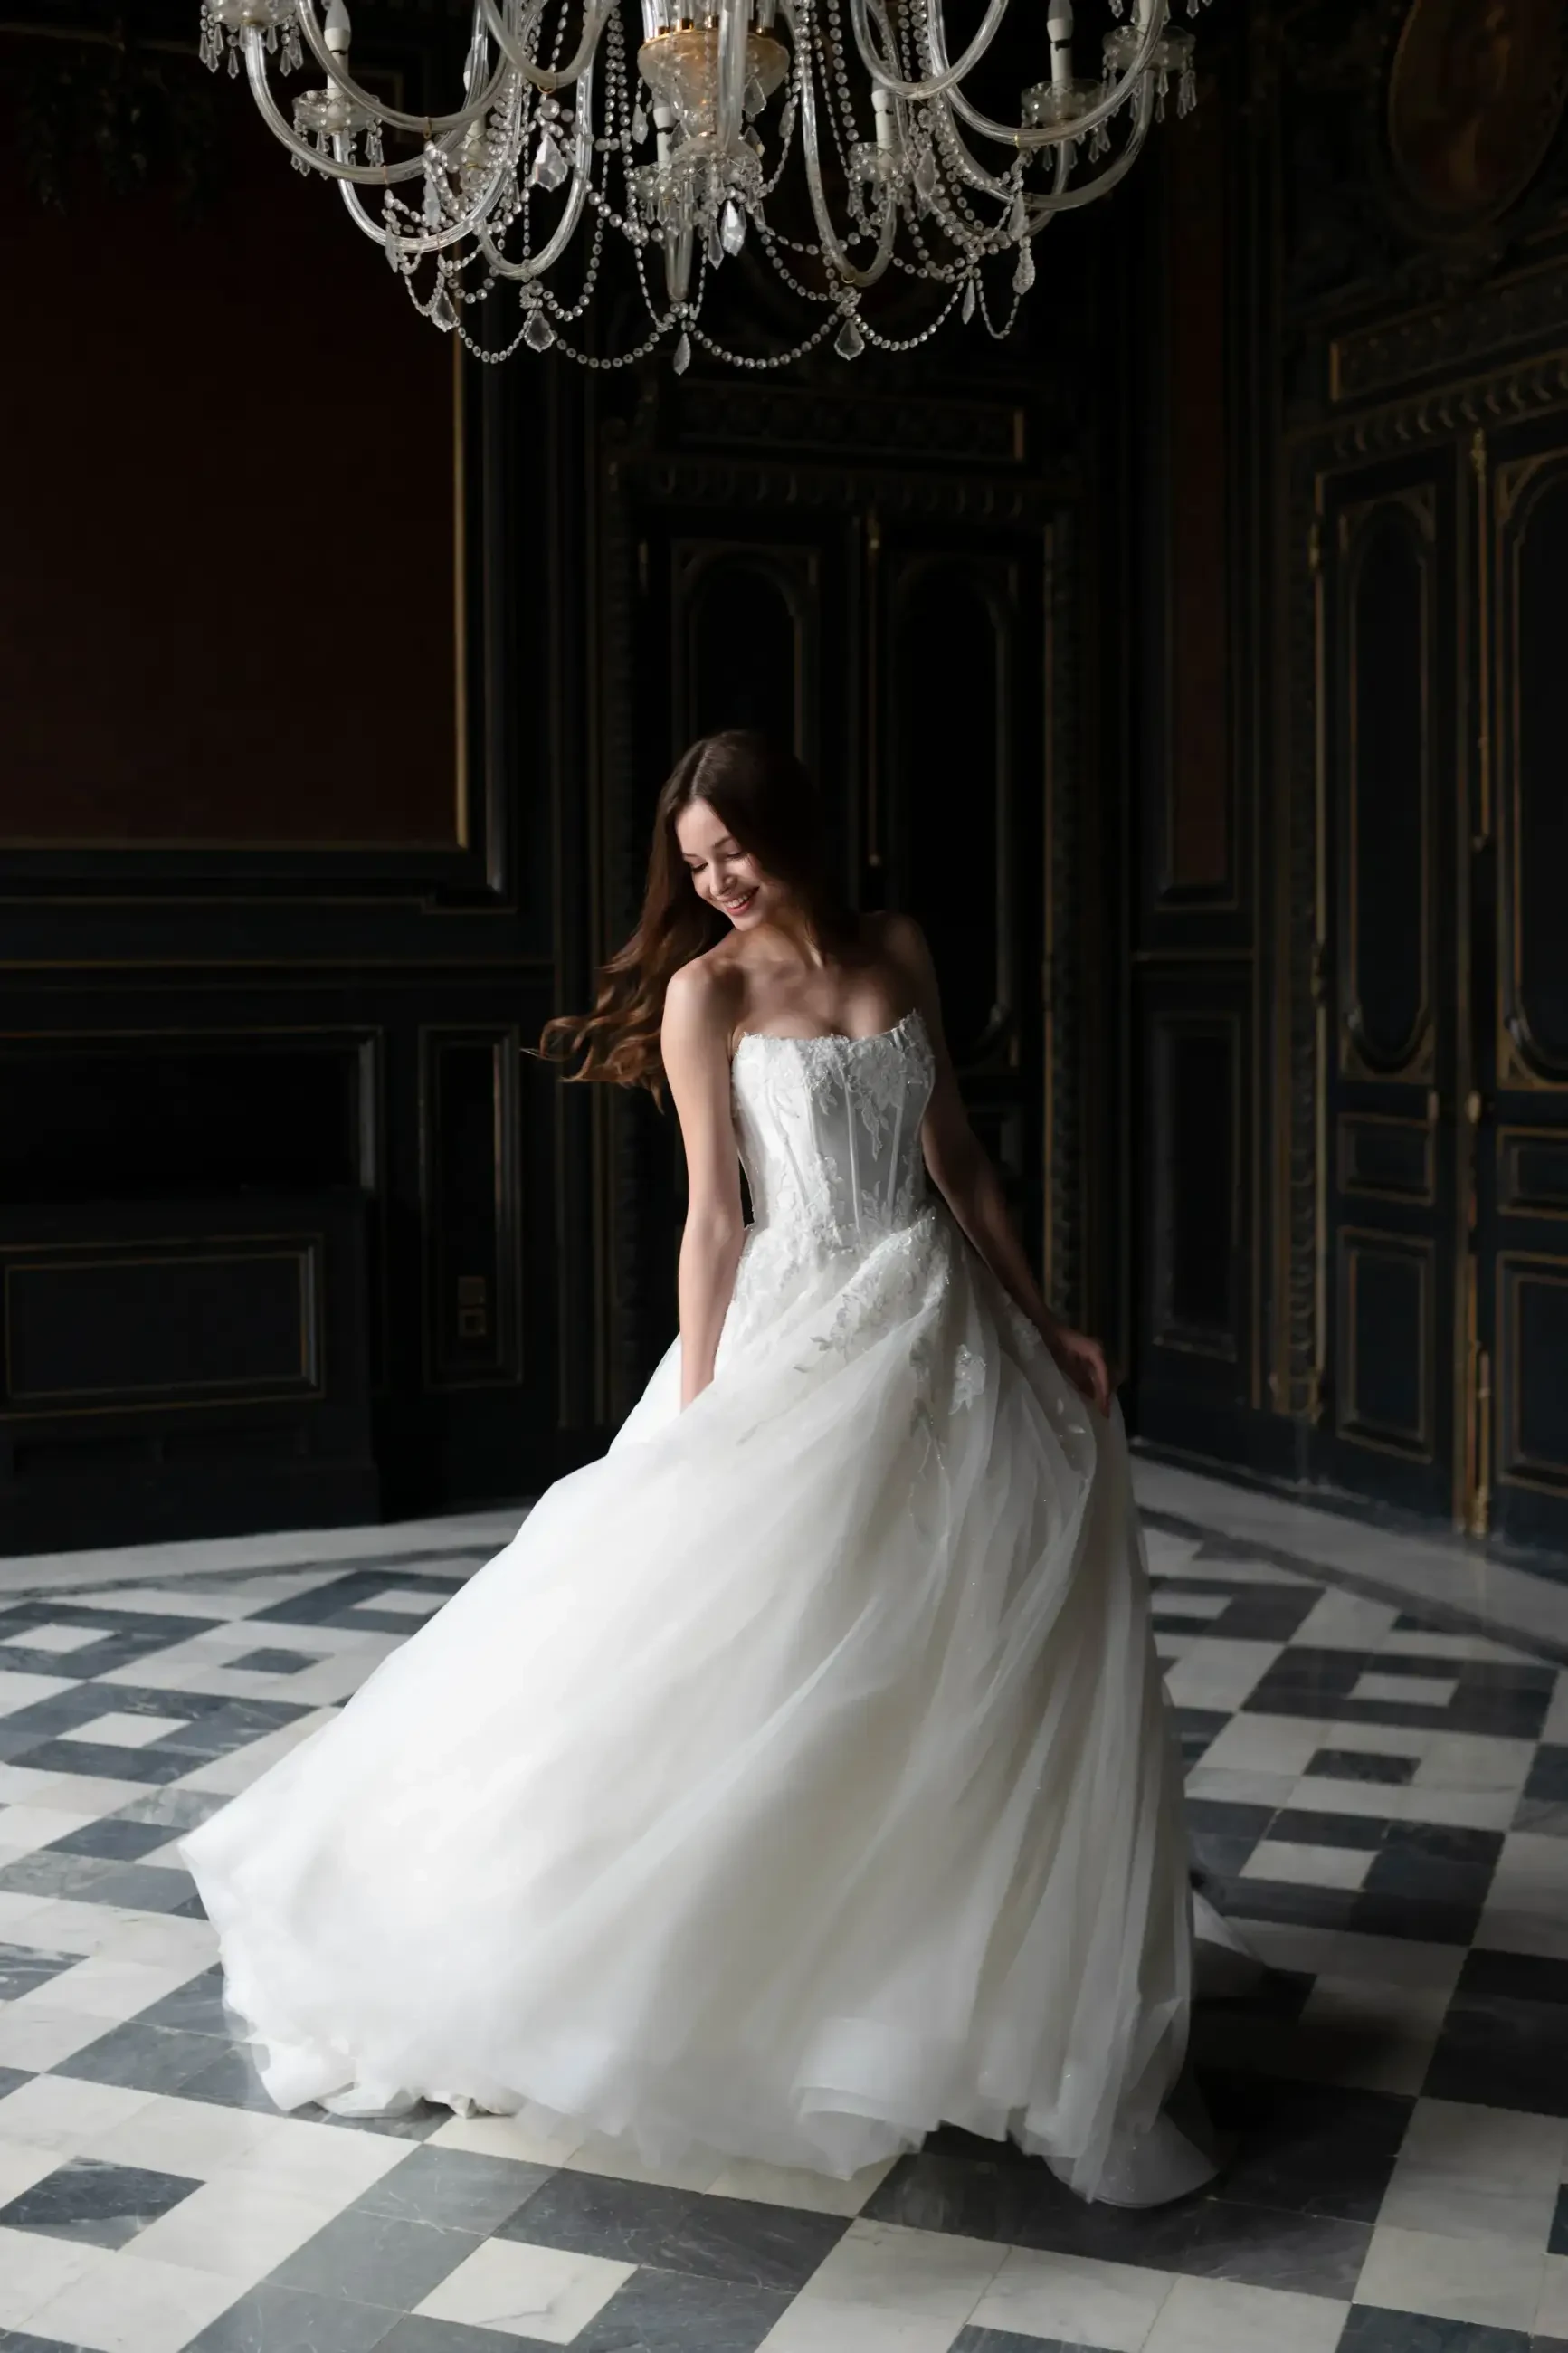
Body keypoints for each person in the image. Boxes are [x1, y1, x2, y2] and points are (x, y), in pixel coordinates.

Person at [183, 729, 1226, 2207]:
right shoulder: (706, 993)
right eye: (693, 864)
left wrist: (1047, 1319)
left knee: (959, 1648)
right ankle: (731, 1980)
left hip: (939, 1323)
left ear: (795, 828)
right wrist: (703, 1401)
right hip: (799, 1330)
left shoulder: (900, 949)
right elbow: (715, 1219)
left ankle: (931, 1990)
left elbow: (962, 1164)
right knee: (770, 1647)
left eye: (733, 849)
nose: (718, 881)